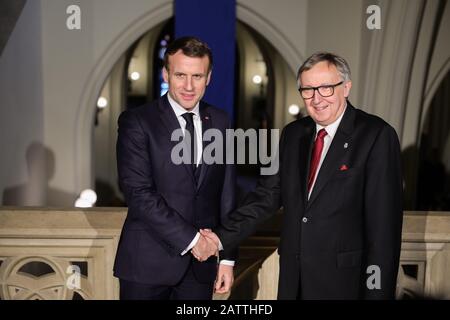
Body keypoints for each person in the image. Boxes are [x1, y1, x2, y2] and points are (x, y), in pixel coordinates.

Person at [200, 52, 403, 299]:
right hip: (293, 282)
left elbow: (383, 233)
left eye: (326, 88)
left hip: (344, 286)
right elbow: (266, 196)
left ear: (346, 87)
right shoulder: (294, 134)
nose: (317, 98)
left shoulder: (376, 135)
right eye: (307, 90)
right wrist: (220, 238)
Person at [114, 36, 236, 300]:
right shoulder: (137, 121)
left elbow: (226, 193)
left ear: (209, 77)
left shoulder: (221, 120)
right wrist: (194, 241)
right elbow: (138, 193)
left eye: (197, 76)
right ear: (166, 74)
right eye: (180, 75)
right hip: (146, 265)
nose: (189, 86)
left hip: (200, 270)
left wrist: (227, 258)